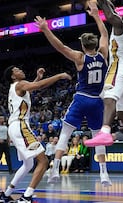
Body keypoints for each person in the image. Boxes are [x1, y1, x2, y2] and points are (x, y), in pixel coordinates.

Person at [34, 1, 112, 186]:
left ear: (83, 45)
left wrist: (46, 29)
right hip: (97, 100)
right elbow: (105, 33)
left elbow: (60, 47)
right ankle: (104, 175)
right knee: (98, 136)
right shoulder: (103, 53)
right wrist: (95, 14)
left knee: (65, 134)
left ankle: (54, 171)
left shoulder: (80, 57)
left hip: (82, 98)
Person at [83, 0, 123, 170]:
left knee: (109, 96)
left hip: (119, 66)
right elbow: (113, 12)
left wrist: (102, 2)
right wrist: (106, 4)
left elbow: (111, 16)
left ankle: (104, 132)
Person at [0, 66, 71, 203]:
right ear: (13, 76)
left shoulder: (16, 87)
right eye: (17, 70)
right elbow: (38, 86)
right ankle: (27, 196)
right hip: (20, 126)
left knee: (28, 164)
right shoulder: (20, 84)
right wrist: (59, 75)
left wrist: (37, 78)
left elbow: (33, 87)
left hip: (14, 127)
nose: (21, 70)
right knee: (43, 161)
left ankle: (6, 195)